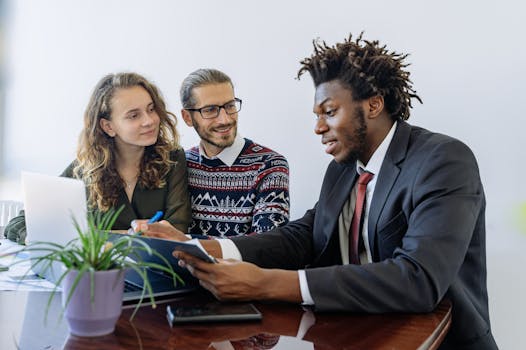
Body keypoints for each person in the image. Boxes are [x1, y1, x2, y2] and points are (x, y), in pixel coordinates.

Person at [136, 34, 497, 349]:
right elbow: (303, 236)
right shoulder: (342, 170)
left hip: (432, 341)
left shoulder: (443, 160)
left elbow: (416, 280)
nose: (318, 127)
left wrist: (265, 283)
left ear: (373, 105)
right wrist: (198, 248)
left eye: (328, 112)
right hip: (352, 334)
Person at [4, 72, 192, 244]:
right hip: (98, 273)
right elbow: (21, 223)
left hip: (154, 274)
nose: (149, 120)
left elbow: (177, 230)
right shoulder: (86, 167)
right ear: (108, 126)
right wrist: (38, 240)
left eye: (151, 109)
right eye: (134, 115)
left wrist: (95, 238)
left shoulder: (173, 160)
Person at [179, 68, 290, 237]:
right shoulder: (180, 165)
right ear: (188, 117)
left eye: (230, 106)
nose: (225, 119)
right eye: (210, 110)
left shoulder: (269, 165)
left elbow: (267, 245)